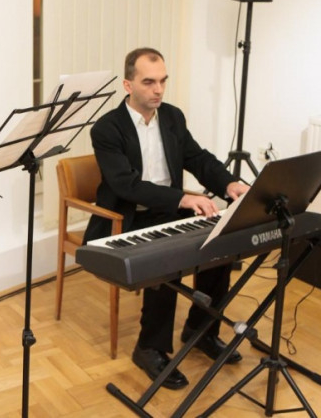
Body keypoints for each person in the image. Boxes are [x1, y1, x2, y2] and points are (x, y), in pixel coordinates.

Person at [83, 47, 249, 389]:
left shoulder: (172, 117)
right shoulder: (107, 128)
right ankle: (149, 348)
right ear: (128, 85)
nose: (158, 89)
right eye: (149, 82)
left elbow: (198, 158)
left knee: (220, 247)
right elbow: (126, 185)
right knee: (166, 261)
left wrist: (228, 183)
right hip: (130, 216)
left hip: (170, 208)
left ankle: (201, 330)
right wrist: (184, 198)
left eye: (162, 81)